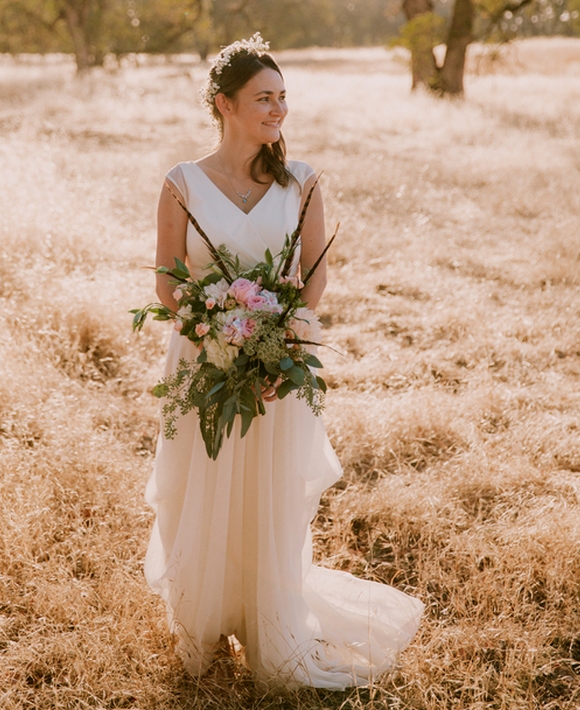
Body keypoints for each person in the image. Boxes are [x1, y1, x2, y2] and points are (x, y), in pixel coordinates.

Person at [144, 34, 423, 688]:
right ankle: (202, 620)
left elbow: (312, 280)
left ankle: (270, 615)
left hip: (280, 359)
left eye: (283, 98)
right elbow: (167, 280)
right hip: (203, 360)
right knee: (199, 482)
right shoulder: (181, 183)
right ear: (225, 105)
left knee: (268, 489)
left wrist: (279, 345)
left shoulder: (302, 182)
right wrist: (214, 331)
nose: (278, 110)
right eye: (264, 98)